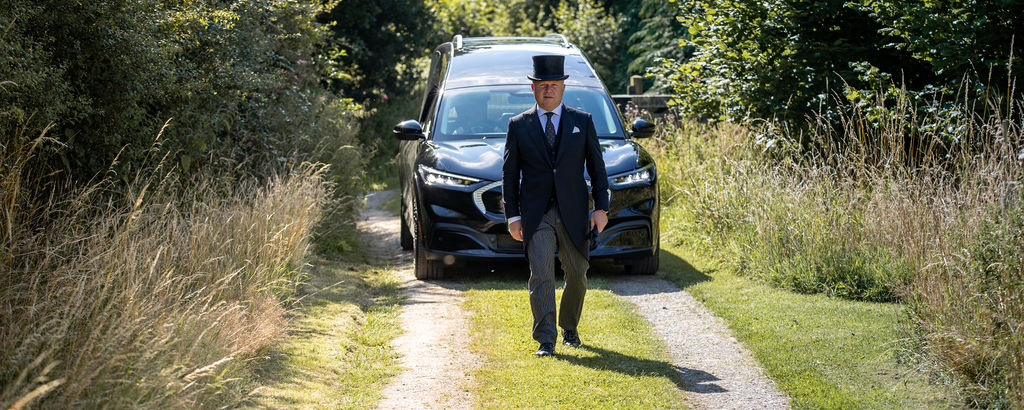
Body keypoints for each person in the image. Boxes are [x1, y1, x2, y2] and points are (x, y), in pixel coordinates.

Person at [502, 55, 609, 357]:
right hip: (536, 214)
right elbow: (509, 175)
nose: (548, 90)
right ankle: (546, 340)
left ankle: (570, 328)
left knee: (578, 272)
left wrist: (601, 208)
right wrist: (513, 216)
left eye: (554, 85)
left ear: (563, 87)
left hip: (575, 211)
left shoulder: (582, 122)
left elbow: (598, 169)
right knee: (542, 274)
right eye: (542, 85)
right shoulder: (519, 126)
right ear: (532, 88)